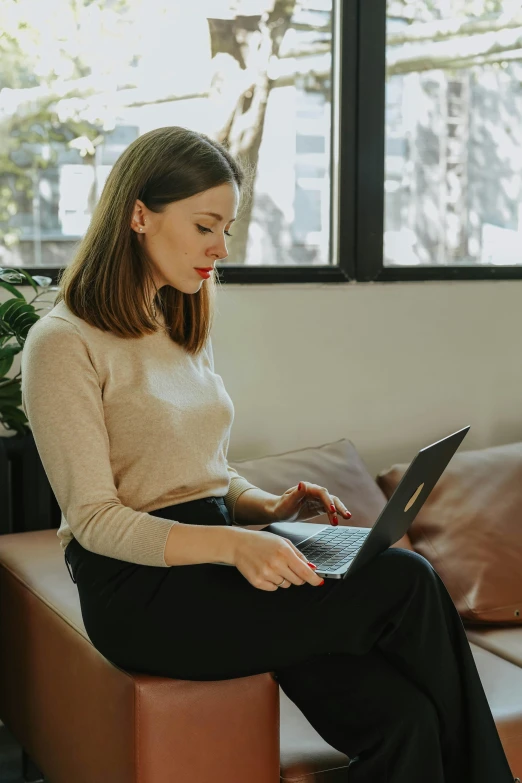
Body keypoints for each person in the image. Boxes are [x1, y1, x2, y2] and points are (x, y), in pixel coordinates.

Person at [21, 126, 515, 783]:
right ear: (139, 214)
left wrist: (263, 506)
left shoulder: (180, 319)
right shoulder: (61, 343)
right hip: (140, 592)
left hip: (217, 561)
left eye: (227, 228)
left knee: (406, 722)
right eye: (205, 226)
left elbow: (200, 470)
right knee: (407, 578)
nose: (220, 248)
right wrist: (235, 543)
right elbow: (95, 518)